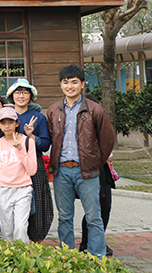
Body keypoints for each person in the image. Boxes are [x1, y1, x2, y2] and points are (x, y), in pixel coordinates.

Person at [47, 64, 114, 258]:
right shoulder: (53, 111)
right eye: (65, 82)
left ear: (82, 84)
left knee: (94, 217)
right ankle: (68, 257)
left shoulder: (96, 110)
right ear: (60, 84)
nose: (70, 86)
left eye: (74, 82)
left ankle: (97, 257)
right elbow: (51, 138)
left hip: (87, 171)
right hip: (61, 171)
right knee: (65, 217)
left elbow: (107, 141)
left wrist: (95, 162)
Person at [6, 78, 54, 242]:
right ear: (12, 96)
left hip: (33, 163)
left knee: (38, 201)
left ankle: (36, 238)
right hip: (11, 164)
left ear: (31, 96)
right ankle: (13, 240)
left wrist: (31, 136)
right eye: (18, 92)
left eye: (25, 93)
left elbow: (45, 144)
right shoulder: (6, 117)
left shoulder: (39, 117)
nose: (21, 96)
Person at [0, 106, 36, 243]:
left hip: (23, 189)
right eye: (3, 123)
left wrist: (20, 149)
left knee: (21, 227)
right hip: (3, 189)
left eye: (10, 122)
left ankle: (23, 254)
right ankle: (9, 255)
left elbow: (32, 170)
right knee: (7, 229)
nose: (7, 126)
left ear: (17, 123)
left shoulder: (28, 142)